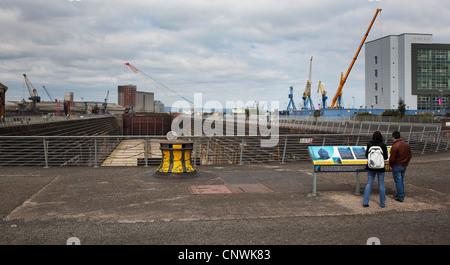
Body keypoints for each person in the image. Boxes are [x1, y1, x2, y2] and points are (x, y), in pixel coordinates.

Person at [363, 131, 389, 208]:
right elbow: (385, 157)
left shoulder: (369, 144)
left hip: (371, 167)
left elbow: (366, 155)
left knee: (369, 183)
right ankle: (382, 203)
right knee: (381, 184)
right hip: (380, 168)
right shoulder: (383, 145)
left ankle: (365, 202)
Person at [389, 131, 412, 202]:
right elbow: (410, 156)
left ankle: (400, 196)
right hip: (404, 165)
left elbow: (392, 158)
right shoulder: (406, 145)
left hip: (397, 165)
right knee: (401, 180)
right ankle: (400, 194)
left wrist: (391, 164)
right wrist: (406, 162)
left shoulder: (395, 146)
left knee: (398, 181)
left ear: (393, 137)